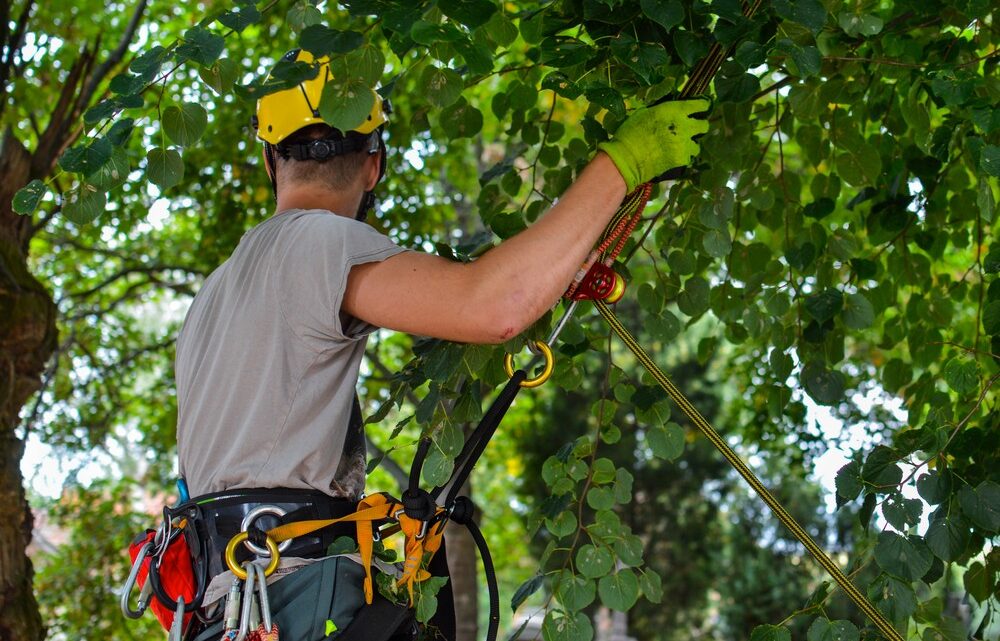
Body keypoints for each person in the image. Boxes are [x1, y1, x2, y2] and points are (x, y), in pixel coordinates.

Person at [174, 49, 708, 641]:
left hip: (225, 606)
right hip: (292, 596)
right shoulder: (318, 243)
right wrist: (622, 165)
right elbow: (495, 305)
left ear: (271, 160)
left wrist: (553, 273)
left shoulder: (216, 293)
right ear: (374, 164)